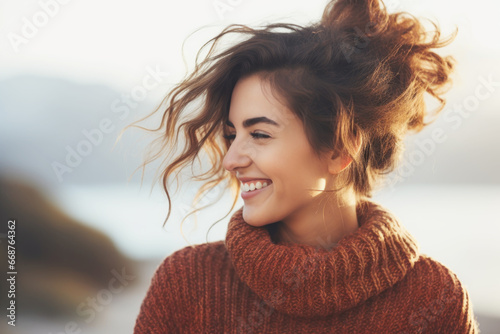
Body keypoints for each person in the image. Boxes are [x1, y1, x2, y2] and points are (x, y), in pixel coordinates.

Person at [132, 0, 479, 332]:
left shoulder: (435, 299)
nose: (231, 160)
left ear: (339, 149)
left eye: (260, 134)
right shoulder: (187, 285)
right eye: (231, 134)